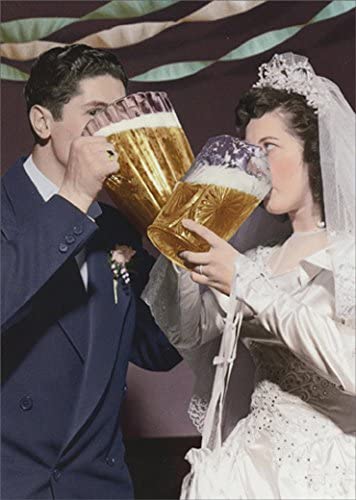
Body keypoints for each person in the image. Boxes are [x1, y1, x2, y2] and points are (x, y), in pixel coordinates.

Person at [143, 53, 355, 499]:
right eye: (249, 151)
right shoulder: (257, 259)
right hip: (248, 469)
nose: (255, 166)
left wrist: (248, 284)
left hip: (325, 472)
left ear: (313, 152)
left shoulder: (348, 254)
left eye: (269, 149)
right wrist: (187, 253)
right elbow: (192, 333)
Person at [1, 44, 182, 500]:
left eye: (119, 113)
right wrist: (76, 195)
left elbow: (157, 349)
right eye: (96, 112)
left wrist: (183, 256)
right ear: (43, 121)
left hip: (100, 486)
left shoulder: (117, 225)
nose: (112, 129)